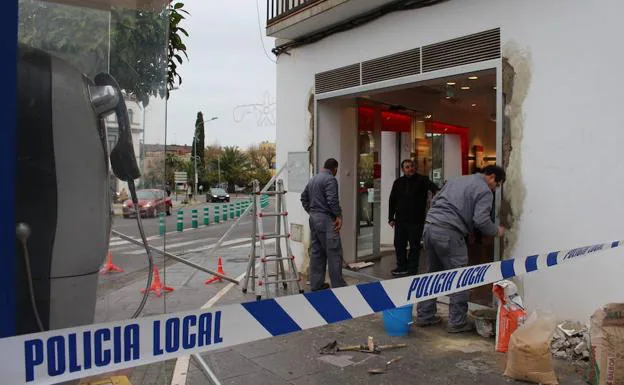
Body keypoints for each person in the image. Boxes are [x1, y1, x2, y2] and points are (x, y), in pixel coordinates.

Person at [416, 165, 506, 333]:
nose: (496, 189)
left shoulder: (458, 179)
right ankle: (457, 322)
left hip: (429, 228)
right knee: (460, 276)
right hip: (449, 233)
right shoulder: (485, 190)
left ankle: (424, 316)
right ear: (492, 177)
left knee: (431, 274)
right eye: (497, 185)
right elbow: (481, 220)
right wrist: (496, 231)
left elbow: (435, 200)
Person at [301, 158, 348, 291]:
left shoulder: (313, 179)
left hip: (314, 219)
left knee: (317, 253)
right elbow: (332, 200)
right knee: (334, 253)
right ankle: (339, 286)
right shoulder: (330, 179)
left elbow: (303, 197)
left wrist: (311, 211)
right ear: (335, 168)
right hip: (326, 220)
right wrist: (338, 216)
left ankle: (317, 284)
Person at [388, 159, 439, 276]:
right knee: (399, 244)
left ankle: (412, 269)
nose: (410, 169)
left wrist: (435, 207)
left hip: (416, 220)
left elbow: (436, 190)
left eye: (411, 166)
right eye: (407, 167)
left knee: (414, 245)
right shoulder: (398, 182)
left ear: (414, 167)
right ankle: (401, 267)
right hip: (400, 220)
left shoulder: (423, 180)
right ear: (402, 170)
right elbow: (392, 200)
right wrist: (390, 217)